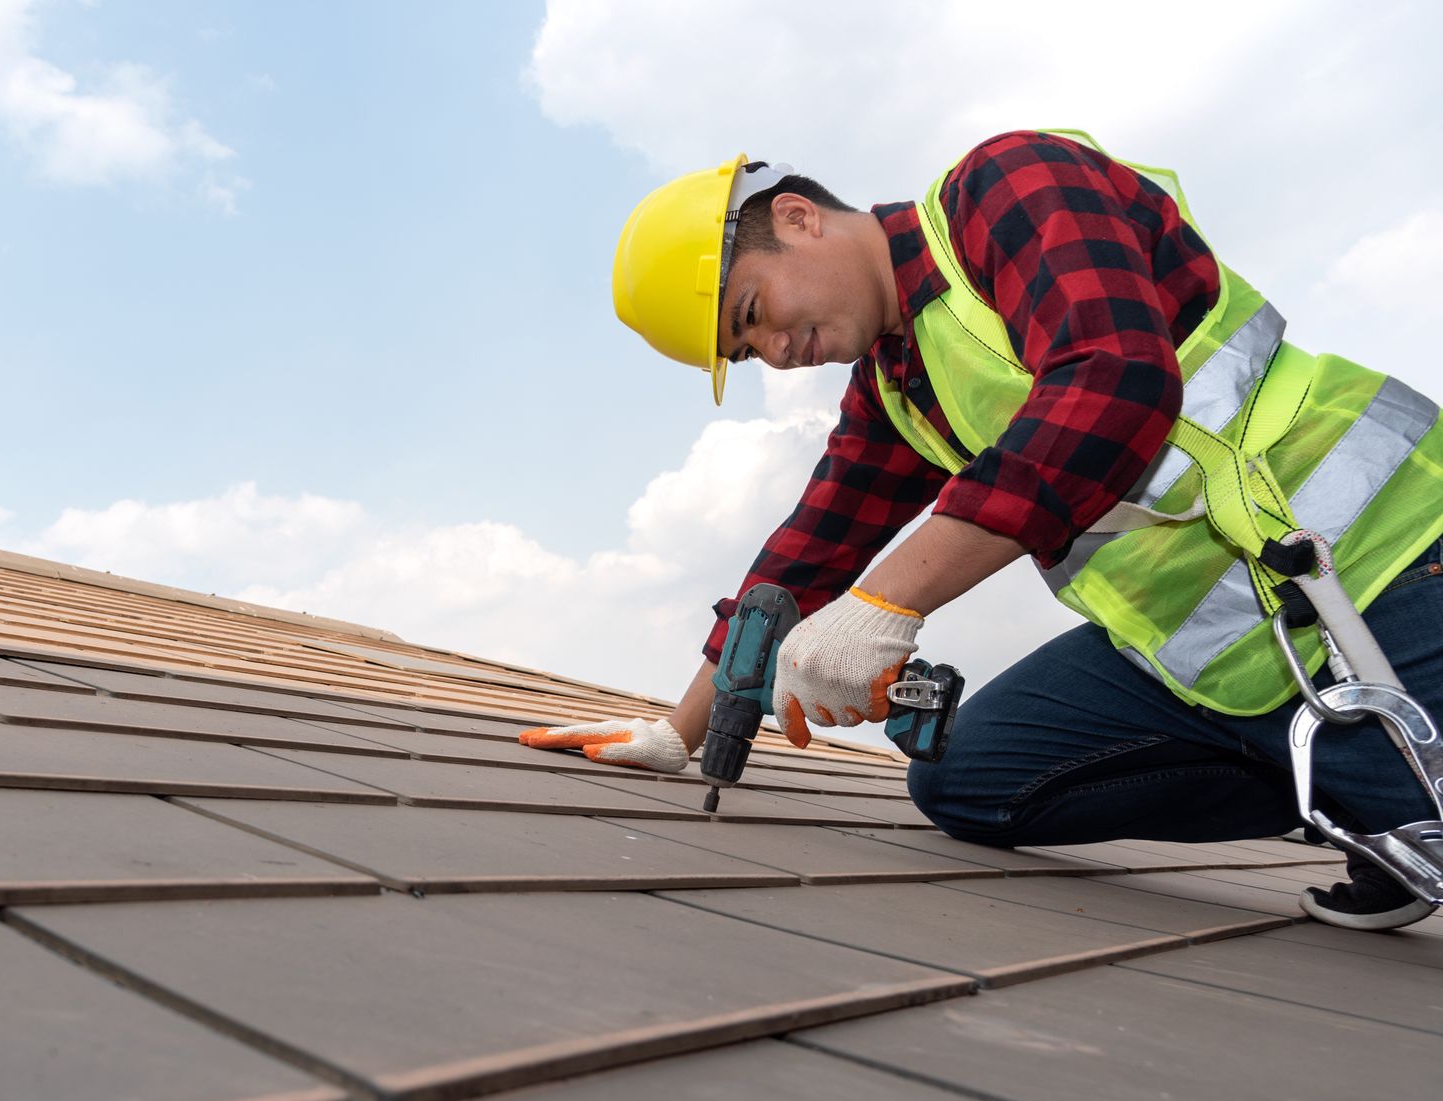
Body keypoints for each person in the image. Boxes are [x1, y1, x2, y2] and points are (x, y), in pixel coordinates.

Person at [520, 130, 1443, 932]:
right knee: (966, 780)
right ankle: (1358, 793)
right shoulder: (897, 380)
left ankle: (1385, 789)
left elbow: (1114, 380)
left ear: (798, 219)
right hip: (1230, 655)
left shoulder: (1008, 185)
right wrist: (682, 731)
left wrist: (889, 603)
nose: (774, 353)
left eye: (753, 314)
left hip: (1391, 563)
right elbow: (814, 544)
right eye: (746, 351)